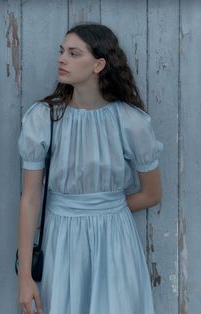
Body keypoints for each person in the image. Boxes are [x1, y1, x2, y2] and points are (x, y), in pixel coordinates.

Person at [17, 22, 164, 314]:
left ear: (98, 64)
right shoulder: (44, 118)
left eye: (73, 53)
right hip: (60, 239)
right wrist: (25, 278)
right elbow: (30, 198)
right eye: (62, 51)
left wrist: (101, 208)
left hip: (115, 243)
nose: (62, 59)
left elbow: (151, 194)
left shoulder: (130, 122)